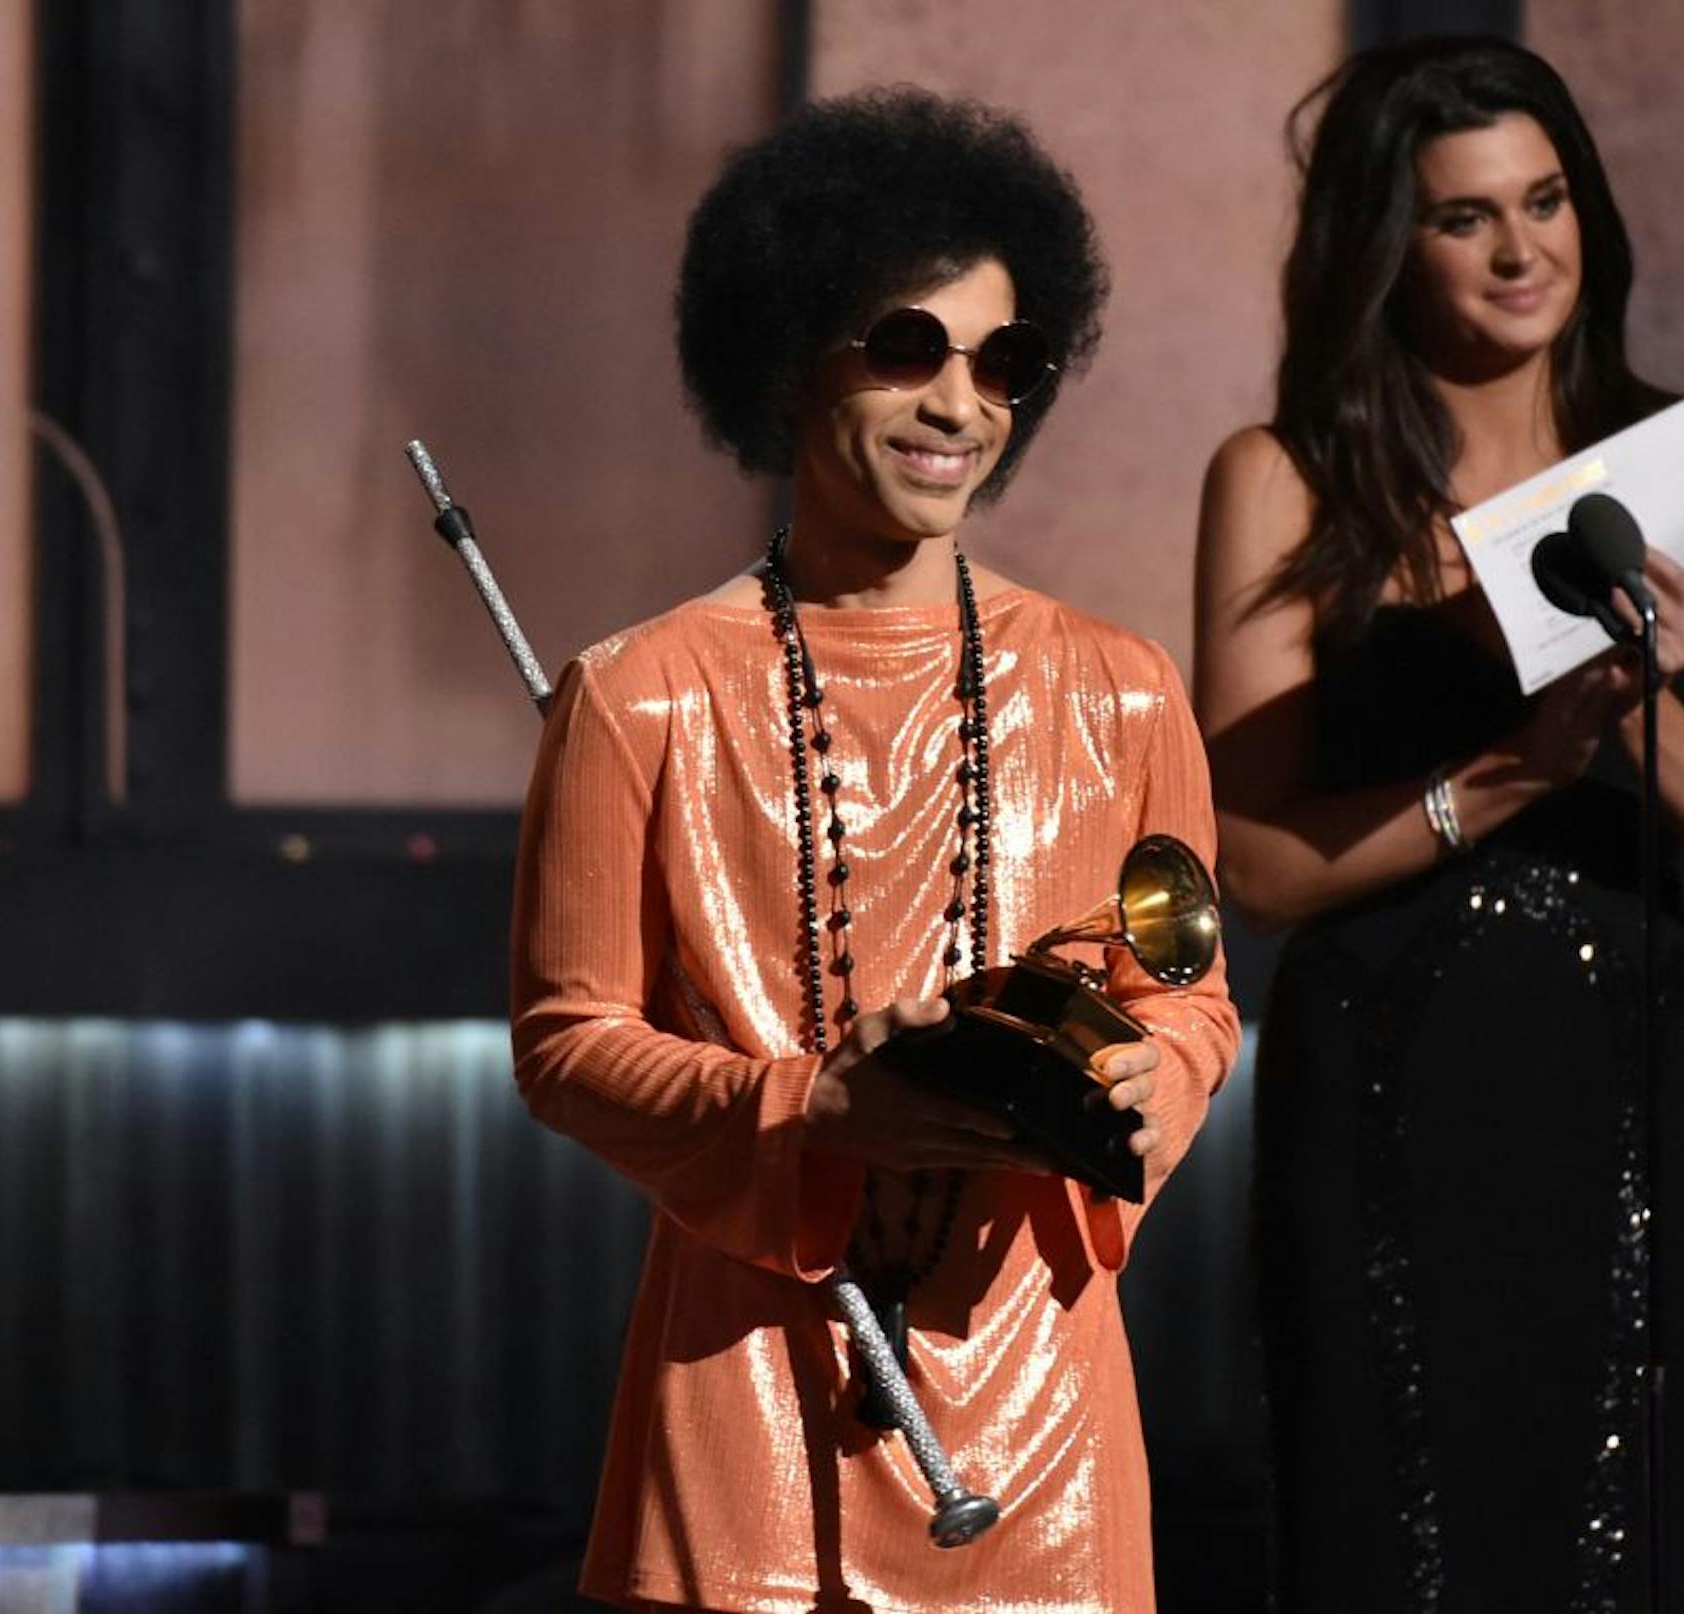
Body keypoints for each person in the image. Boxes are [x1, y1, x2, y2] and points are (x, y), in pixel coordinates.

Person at [511, 88, 1239, 1614]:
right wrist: (820, 1110)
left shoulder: (1121, 687)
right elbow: (566, 1039)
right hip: (744, 1409)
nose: (960, 402)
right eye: (908, 345)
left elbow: (1195, 1000)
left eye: (1006, 361)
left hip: (1044, 1415)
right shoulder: (635, 691)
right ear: (786, 360)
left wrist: (1133, 1081)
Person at [1193, 37, 1684, 1613]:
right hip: (1383, 1083)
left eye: (1546, 201)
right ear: (1389, 248)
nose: (1522, 249)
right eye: (1468, 218)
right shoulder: (1286, 482)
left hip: (1621, 1087)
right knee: (1386, 1532)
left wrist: (1623, 721)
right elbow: (1253, 868)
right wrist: (1520, 767)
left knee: (1624, 1534)